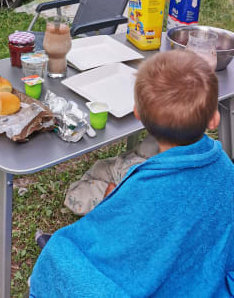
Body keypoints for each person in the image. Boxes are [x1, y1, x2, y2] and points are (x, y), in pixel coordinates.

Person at [29, 50, 234, 298]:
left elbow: (114, 244)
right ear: (214, 119)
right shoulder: (226, 168)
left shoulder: (145, 186)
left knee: (59, 251)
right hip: (202, 281)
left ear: (137, 114)